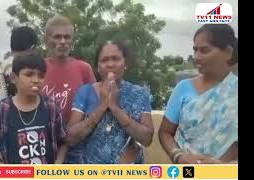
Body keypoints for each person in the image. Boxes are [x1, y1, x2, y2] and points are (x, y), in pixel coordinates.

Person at [158, 24, 238, 164]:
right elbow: (165, 132)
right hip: (188, 171)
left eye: (204, 50)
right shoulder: (182, 88)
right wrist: (178, 156)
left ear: (228, 52)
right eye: (195, 50)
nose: (196, 57)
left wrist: (221, 165)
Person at [66, 40, 154, 163]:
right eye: (104, 60)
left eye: (116, 59)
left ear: (125, 64)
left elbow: (147, 138)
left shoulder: (139, 93)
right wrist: (101, 106)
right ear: (97, 66)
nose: (110, 64)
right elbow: (71, 137)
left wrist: (115, 107)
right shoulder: (85, 92)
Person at [0, 53, 67, 164]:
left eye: (41, 76)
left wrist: (56, 168)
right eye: (29, 74)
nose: (36, 80)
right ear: (13, 78)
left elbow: (63, 142)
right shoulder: (1, 110)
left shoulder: (51, 106)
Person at [40, 14, 96, 122]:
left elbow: (93, 105)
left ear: (72, 42)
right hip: (44, 135)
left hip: (77, 135)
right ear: (47, 41)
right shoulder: (38, 67)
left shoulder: (84, 69)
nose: (62, 41)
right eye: (57, 37)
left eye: (67, 37)